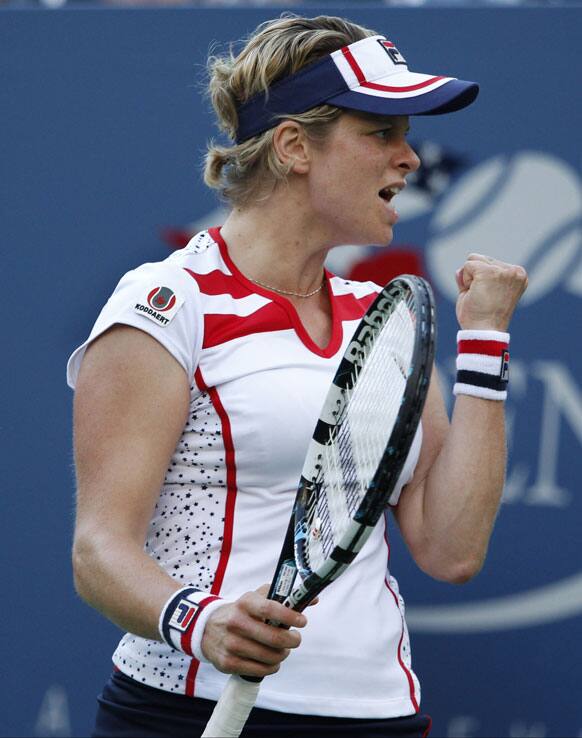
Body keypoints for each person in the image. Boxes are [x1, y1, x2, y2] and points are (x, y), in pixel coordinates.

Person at [67, 14, 528, 738]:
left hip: (381, 714)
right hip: (189, 709)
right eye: (382, 132)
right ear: (293, 147)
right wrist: (202, 621)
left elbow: (451, 549)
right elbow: (98, 550)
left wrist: (486, 339)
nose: (409, 157)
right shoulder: (167, 303)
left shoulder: (388, 318)